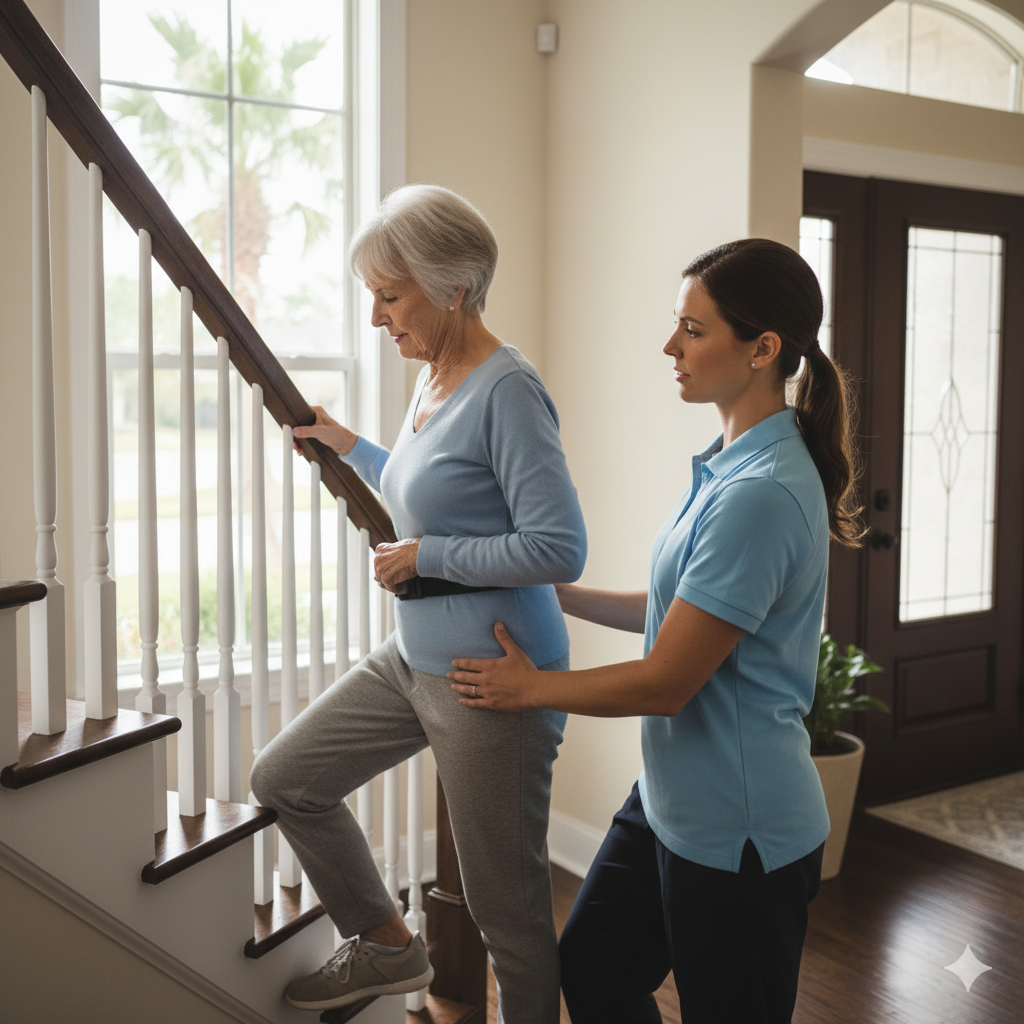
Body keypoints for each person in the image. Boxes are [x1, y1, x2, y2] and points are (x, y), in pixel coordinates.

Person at [447, 238, 865, 1024]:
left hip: (741, 831)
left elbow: (668, 683)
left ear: (763, 349)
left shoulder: (762, 494)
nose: (670, 347)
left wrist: (528, 689)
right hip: (672, 801)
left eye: (693, 331)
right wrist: (553, 588)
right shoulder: (730, 461)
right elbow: (677, 608)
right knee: (596, 970)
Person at [250, 184, 587, 1021]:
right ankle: (391, 947)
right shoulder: (435, 372)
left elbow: (559, 548)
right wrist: (351, 445)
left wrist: (427, 557)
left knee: (506, 912)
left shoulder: (508, 388)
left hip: (492, 676)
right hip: (414, 659)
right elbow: (436, 490)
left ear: (452, 288)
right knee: (286, 778)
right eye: (374, 295)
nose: (376, 317)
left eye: (389, 296)